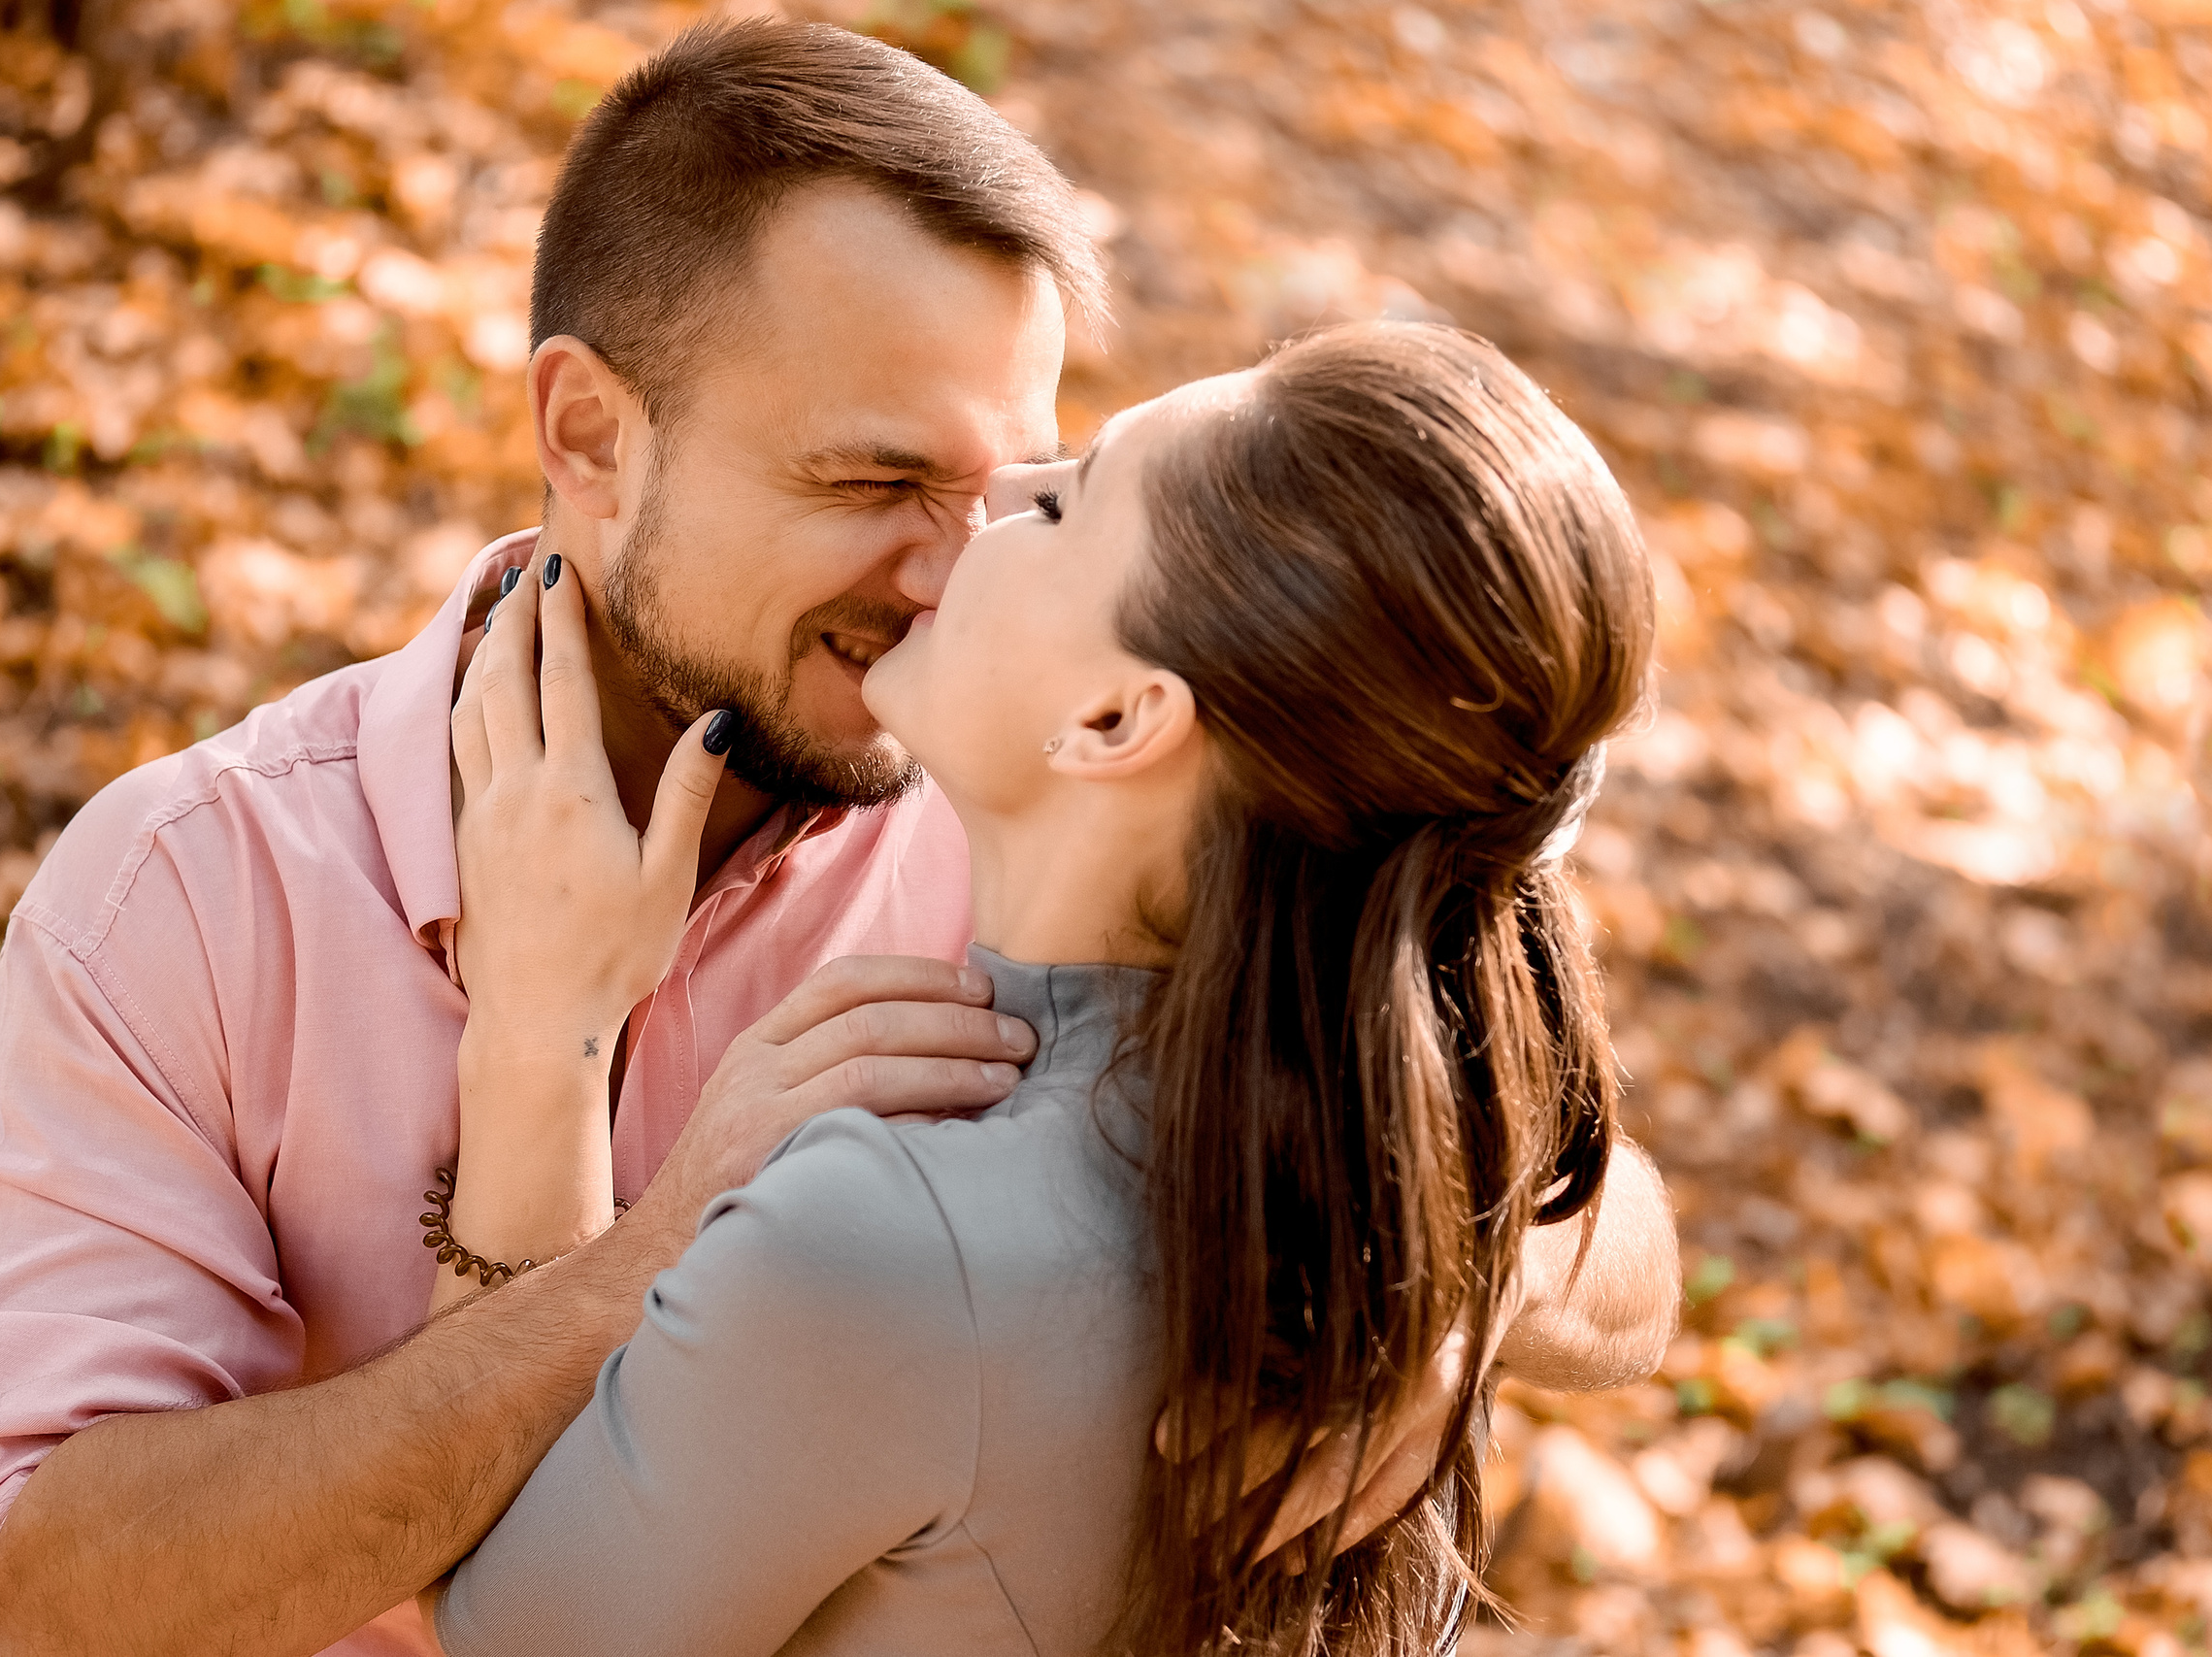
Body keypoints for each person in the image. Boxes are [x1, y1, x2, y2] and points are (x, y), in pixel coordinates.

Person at [0, 22, 1639, 1656]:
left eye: (1014, 487)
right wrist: (640, 1249)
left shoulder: (1047, 806)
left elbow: (1616, 1245)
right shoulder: (201, 889)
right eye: (875, 487)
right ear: (591, 439)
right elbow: (18, 1604)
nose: (957, 572)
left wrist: (1428, 1269)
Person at [421, 320, 1681, 1657]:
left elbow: (502, 1629)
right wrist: (1449, 1279)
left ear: (1115, 722)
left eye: (1065, 498)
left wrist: (541, 1036)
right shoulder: (1369, 1156)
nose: (990, 503)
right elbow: (1607, 1237)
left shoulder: (884, 1239)